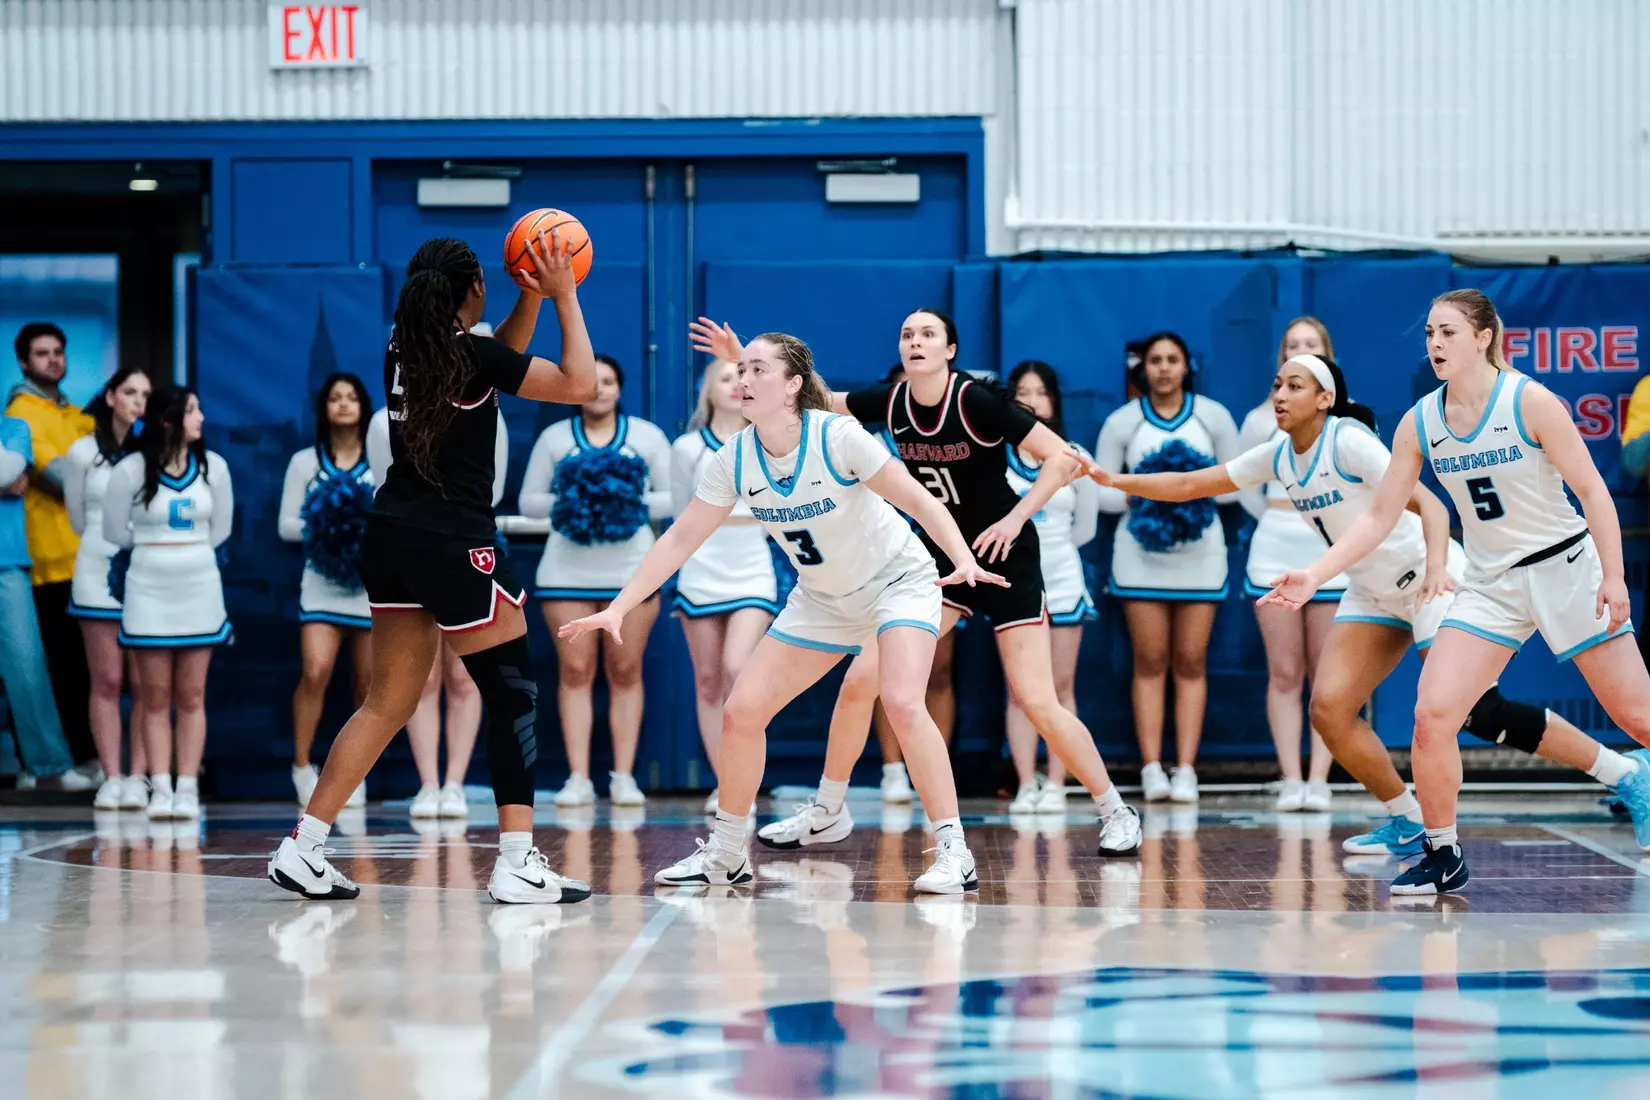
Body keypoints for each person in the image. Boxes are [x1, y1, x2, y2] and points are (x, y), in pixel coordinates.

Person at [1090, 350, 1650, 884]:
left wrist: (1436, 566)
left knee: (1476, 711)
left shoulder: (1351, 442)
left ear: (1325, 398)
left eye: (1294, 386)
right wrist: (1111, 480)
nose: (1280, 395)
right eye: (1277, 385)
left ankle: (1622, 774)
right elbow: (1194, 483)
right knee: (1330, 710)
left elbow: (1428, 503)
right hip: (1372, 590)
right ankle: (1407, 819)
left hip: (1435, 580)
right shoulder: (1280, 454)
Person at [559, 329, 1005, 894]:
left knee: (899, 700)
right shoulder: (732, 458)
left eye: (757, 370)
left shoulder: (838, 436)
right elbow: (679, 540)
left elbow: (918, 499)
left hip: (898, 580)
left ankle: (953, 851)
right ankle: (725, 855)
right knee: (741, 711)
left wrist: (962, 559)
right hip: (822, 597)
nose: (743, 380)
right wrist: (618, 608)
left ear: (794, 386)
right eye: (739, 371)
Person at [696, 310, 1143, 859]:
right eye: (907, 334)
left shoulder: (977, 400)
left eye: (928, 334)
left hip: (1005, 555)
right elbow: (802, 400)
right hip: (938, 557)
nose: (915, 342)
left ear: (951, 349)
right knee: (862, 680)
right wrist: (744, 360)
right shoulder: (890, 400)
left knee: (1036, 699)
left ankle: (1115, 810)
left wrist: (1014, 518)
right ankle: (828, 809)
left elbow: (1064, 458)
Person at [1259, 291, 1650, 895]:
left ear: (1484, 337)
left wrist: (1615, 575)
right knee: (1433, 714)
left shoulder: (1529, 401)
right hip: (1491, 583)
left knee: (1637, 716)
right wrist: (1316, 572)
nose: (1436, 345)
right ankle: (1443, 854)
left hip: (1564, 568)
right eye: (1430, 336)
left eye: (1448, 333)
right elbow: (1380, 515)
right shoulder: (1422, 420)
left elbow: (1595, 493)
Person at [268, 230, 598, 905]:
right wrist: (564, 297)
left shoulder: (407, 346)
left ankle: (302, 847)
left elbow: (498, 353)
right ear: (471, 291)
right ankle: (515, 862)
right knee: (511, 694)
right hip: (455, 542)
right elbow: (581, 384)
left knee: (386, 702)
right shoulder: (468, 355)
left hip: (391, 537)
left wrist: (528, 296)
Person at [1093, 332, 1241, 803]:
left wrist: (1187, 485)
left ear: (1186, 366)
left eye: (1172, 359)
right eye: (1155, 360)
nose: (1163, 368)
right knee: (1150, 662)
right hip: (1141, 557)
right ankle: (1152, 767)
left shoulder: (1213, 416)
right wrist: (1151, 490)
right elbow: (1103, 493)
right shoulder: (1122, 422)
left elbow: (1237, 485)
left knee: (1191, 662)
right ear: (1143, 368)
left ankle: (1187, 770)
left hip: (1201, 558)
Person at [520, 355, 672, 809]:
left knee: (626, 672)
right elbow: (529, 502)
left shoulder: (647, 437)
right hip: (566, 574)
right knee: (575, 672)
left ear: (620, 388)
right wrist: (576, 498)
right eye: (592, 381)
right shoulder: (554, 438)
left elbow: (674, 499)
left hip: (632, 575)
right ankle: (579, 777)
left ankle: (623, 777)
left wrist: (621, 495)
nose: (600, 389)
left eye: (608, 381)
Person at [367, 375, 505, 820]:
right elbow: (384, 484)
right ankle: (427, 784)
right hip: (408, 550)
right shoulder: (383, 419)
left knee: (465, 676)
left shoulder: (485, 404)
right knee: (416, 679)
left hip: (465, 546)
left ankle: (455, 785)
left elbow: (492, 486)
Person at [102, 385, 234, 820]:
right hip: (147, 592)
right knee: (155, 697)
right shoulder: (131, 470)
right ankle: (160, 786)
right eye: (192, 410)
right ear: (166, 419)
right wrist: (158, 551)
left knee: (192, 695)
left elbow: (221, 530)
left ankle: (188, 787)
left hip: (199, 588)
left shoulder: (213, 466)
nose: (200, 418)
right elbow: (115, 532)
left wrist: (186, 554)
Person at [1238, 318, 1347, 812]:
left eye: (1312, 345)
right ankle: (1291, 778)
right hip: (1274, 550)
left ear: (1328, 355)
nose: (1302, 351)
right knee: (1283, 672)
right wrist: (1285, 516)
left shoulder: (1349, 424)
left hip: (1331, 557)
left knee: (1328, 675)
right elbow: (1242, 488)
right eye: (1292, 346)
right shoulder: (1262, 420)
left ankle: (1321, 778)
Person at [669, 358, 780, 814]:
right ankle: (726, 783)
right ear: (708, 391)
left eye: (743, 376)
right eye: (725, 377)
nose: (736, 384)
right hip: (700, 568)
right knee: (709, 681)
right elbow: (679, 516)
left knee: (739, 669)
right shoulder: (687, 447)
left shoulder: (769, 442)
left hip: (752, 562)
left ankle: (745, 776)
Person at [1002, 360, 1100, 815]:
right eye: (1023, 391)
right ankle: (1026, 782)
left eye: (1041, 392)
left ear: (1054, 401)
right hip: (1014, 582)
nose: (1033, 400)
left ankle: (1059, 782)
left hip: (1062, 577)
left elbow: (1085, 528)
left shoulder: (1074, 455)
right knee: (1020, 690)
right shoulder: (995, 454)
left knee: (1061, 687)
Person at [279, 372, 375, 809]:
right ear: (323, 407)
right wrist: (330, 527)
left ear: (364, 406)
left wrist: (363, 535)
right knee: (316, 671)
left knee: (368, 681)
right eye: (334, 397)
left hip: (371, 585)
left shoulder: (381, 461)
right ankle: (302, 766)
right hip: (321, 583)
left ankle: (353, 772)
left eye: (351, 397)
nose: (343, 404)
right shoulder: (304, 462)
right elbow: (286, 525)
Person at [7, 322, 98, 779]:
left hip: (86, 558)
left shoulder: (78, 414)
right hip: (45, 561)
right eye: (42, 353)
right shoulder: (21, 413)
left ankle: (86, 758)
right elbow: (62, 478)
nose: (53, 360)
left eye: (59, 351)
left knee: (85, 668)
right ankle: (66, 762)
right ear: (23, 361)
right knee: (59, 668)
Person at [64, 366, 152, 809]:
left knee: (142, 681)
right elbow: (77, 519)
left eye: (145, 395)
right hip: (95, 567)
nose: (138, 400)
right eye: (130, 392)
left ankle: (138, 776)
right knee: (106, 679)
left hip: (142, 571)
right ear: (111, 396)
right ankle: (111, 776)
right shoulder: (81, 452)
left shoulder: (148, 453)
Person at [0, 411, 83, 789]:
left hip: (8, 562)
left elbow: (7, 473)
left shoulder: (14, 428)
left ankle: (47, 765)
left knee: (27, 665)